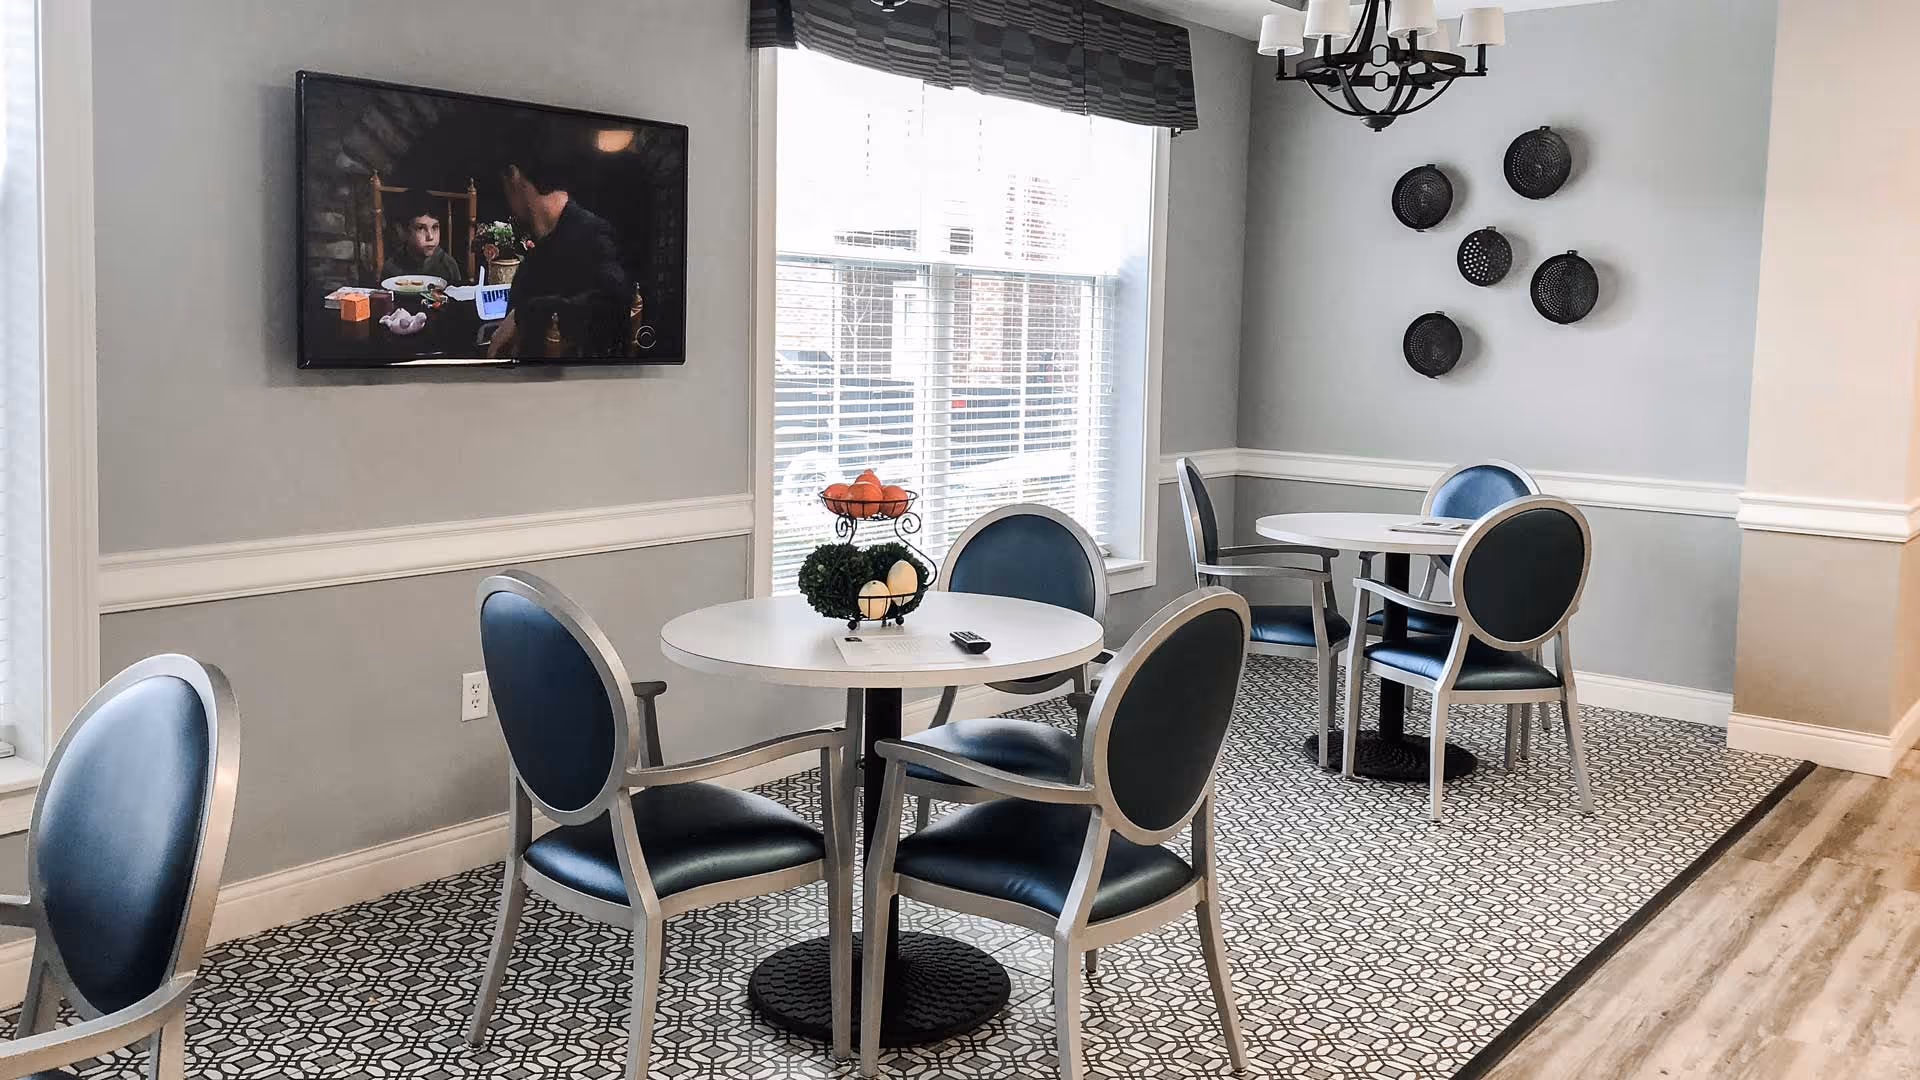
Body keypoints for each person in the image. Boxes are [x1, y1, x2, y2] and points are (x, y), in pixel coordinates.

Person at [485, 144, 629, 359]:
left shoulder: (592, 233)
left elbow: (614, 307)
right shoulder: (540, 244)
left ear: (514, 177)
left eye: (504, 186)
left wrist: (525, 316)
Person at [379, 190, 466, 285]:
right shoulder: (392, 267)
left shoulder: (448, 265)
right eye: (421, 228)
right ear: (402, 231)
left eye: (435, 227)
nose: (430, 237)